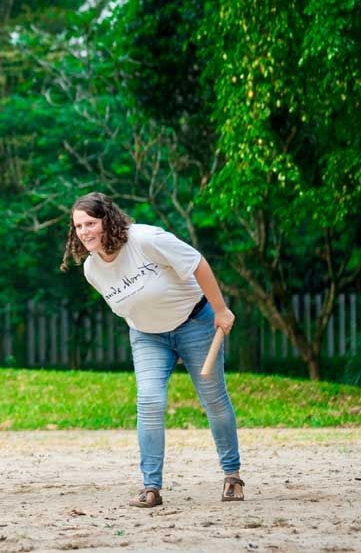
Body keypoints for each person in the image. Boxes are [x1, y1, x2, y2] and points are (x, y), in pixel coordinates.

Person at [61, 192, 244, 507]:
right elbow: (130, 307)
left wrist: (220, 309)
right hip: (147, 336)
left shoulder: (145, 239)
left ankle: (232, 476)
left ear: (107, 219)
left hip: (195, 322)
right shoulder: (92, 269)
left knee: (214, 400)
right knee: (148, 402)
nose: (84, 231)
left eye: (90, 223)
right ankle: (151, 488)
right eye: (78, 226)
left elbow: (196, 262)